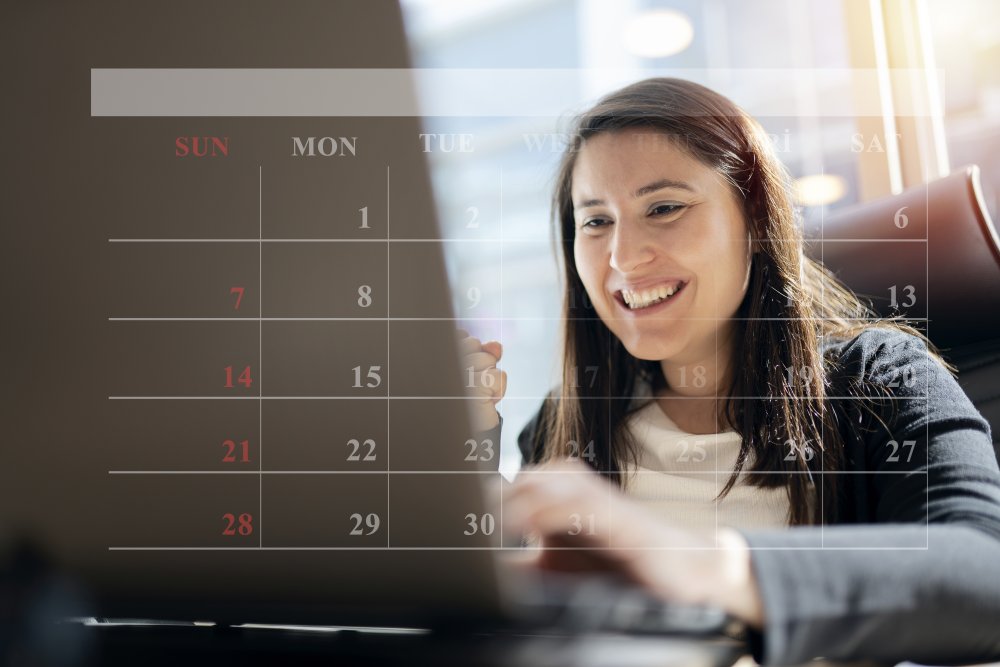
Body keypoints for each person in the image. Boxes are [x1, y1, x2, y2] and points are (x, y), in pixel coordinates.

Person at [459, 78, 1000, 665]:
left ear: (755, 218)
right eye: (595, 221)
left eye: (664, 208)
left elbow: (983, 574)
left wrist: (696, 564)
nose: (621, 257)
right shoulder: (566, 418)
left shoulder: (880, 377)